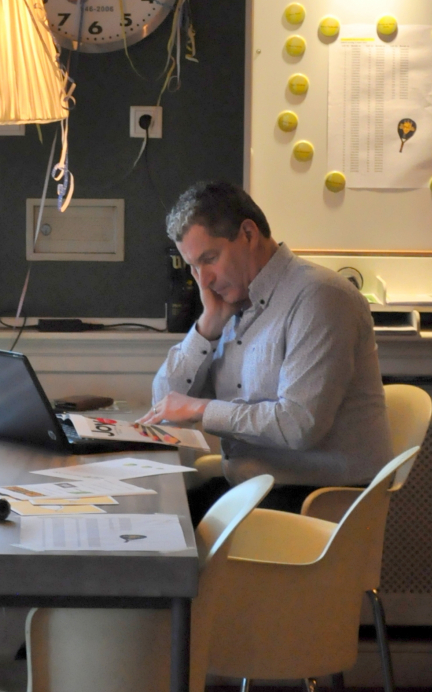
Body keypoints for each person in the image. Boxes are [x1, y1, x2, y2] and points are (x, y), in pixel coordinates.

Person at [141, 180, 391, 523]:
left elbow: (299, 425)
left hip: (314, 502)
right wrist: (208, 326)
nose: (204, 280)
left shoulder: (320, 297)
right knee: (151, 513)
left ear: (248, 234)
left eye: (209, 259)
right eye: (194, 267)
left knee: (162, 531)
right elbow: (164, 402)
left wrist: (201, 409)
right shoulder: (231, 302)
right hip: (255, 488)